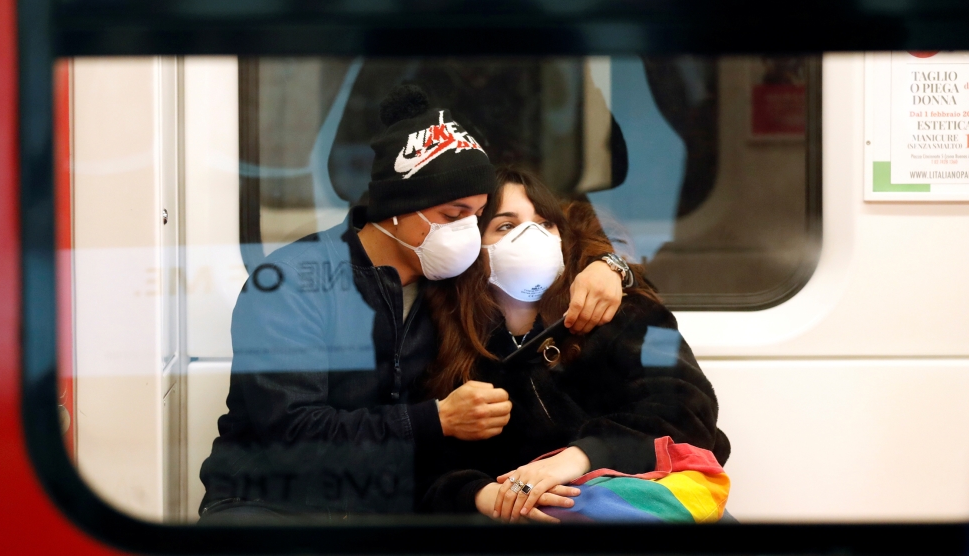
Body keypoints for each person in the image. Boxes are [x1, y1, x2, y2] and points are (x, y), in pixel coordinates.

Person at [197, 86, 628, 522]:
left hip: (385, 511)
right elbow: (293, 434)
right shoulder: (294, 281)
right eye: (451, 216)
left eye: (476, 216)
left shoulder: (447, 285)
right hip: (270, 504)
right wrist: (433, 421)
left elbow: (559, 228)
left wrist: (607, 264)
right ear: (399, 209)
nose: (466, 232)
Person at [418, 168, 731, 523]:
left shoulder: (621, 309)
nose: (531, 237)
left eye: (544, 224)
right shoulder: (447, 344)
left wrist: (578, 457)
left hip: (650, 498)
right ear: (473, 247)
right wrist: (479, 493)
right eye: (506, 226)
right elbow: (426, 463)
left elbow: (689, 411)